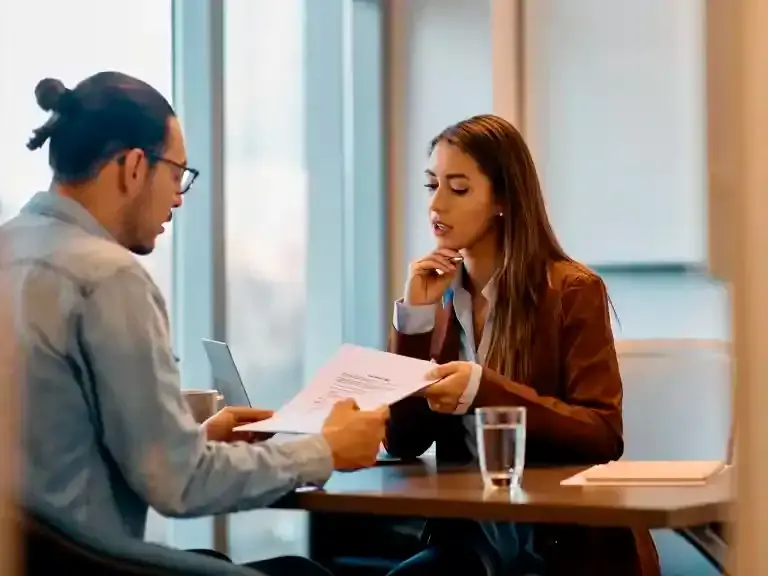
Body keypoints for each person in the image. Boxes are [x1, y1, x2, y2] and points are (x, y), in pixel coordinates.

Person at [0, 72, 389, 576]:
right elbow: (178, 484)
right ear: (134, 167)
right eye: (178, 173)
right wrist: (326, 449)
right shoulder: (108, 277)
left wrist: (198, 437)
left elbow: (59, 449)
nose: (180, 198)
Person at [384, 114, 661, 575]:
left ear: (503, 200)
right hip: (476, 542)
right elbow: (403, 440)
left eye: (458, 188)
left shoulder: (571, 290)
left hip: (563, 545)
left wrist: (482, 391)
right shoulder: (442, 296)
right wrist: (414, 317)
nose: (436, 204)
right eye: (431, 185)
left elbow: (602, 434)